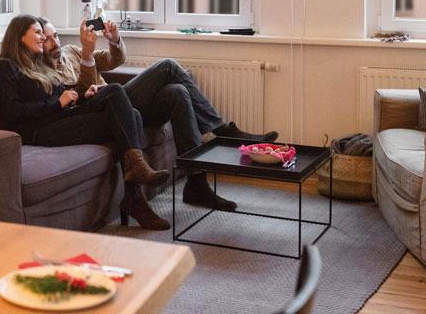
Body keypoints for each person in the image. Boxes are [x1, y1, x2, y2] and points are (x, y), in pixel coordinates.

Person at [39, 17, 280, 211]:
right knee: (167, 65)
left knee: (177, 93)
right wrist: (88, 55)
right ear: (38, 44)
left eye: (55, 35)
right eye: (47, 39)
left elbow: (114, 59)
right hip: (107, 111)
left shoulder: (71, 51)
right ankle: (222, 130)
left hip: (125, 109)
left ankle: (197, 184)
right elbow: (82, 97)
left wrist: (114, 40)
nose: (54, 42)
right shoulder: (44, 72)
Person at [0, 14, 171, 230]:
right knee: (124, 110)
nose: (43, 38)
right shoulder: (6, 67)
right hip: (39, 132)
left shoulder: (39, 63)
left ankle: (135, 189)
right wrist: (57, 104)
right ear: (20, 37)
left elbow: (58, 98)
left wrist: (81, 96)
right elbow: (13, 112)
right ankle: (136, 192)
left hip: (60, 118)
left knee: (124, 105)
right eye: (38, 33)